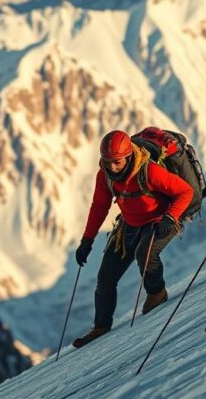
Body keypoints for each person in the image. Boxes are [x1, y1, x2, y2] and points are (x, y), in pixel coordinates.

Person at [71, 130, 194, 347]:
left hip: (160, 220)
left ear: (128, 157)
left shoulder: (150, 171)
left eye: (116, 162)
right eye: (107, 161)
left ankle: (157, 293)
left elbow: (185, 192)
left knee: (145, 254)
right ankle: (100, 326)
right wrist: (86, 241)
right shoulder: (105, 176)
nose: (112, 167)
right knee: (105, 278)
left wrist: (170, 217)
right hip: (129, 225)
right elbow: (99, 207)